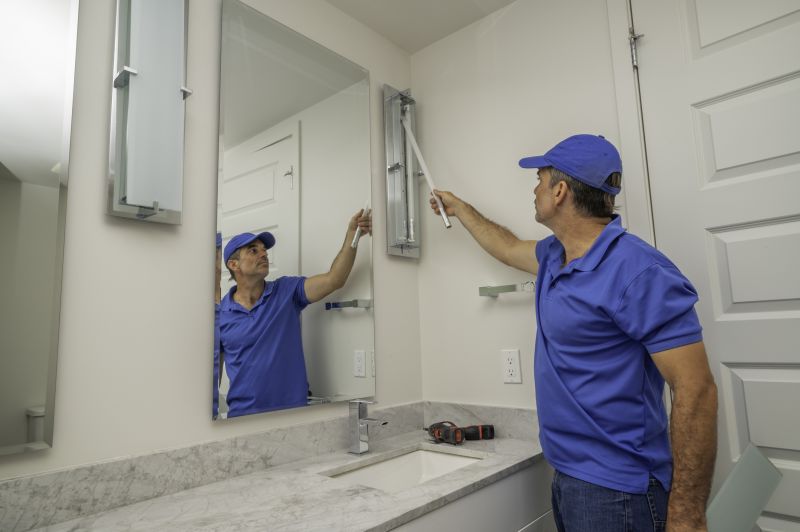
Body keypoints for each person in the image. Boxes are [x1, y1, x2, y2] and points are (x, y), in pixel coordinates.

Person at [429, 134, 718, 532]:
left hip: (618, 491)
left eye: (540, 179)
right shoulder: (554, 256)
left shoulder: (639, 271)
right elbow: (507, 246)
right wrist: (460, 209)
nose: (535, 189)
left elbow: (696, 390)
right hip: (569, 475)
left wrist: (687, 513)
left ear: (560, 191)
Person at [218, 209, 371, 417]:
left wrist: (353, 234)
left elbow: (334, 279)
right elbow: (213, 377)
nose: (263, 254)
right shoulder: (220, 315)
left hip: (293, 417)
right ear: (233, 264)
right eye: (253, 250)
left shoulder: (287, 291)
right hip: (241, 419)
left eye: (264, 250)